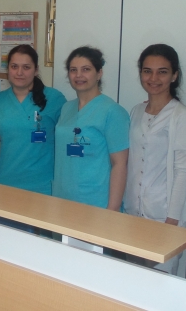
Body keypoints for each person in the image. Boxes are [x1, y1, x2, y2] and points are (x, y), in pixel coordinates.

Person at [123, 44, 186, 274]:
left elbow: (183, 171)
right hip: (133, 214)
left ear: (174, 75)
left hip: (163, 217)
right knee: (132, 278)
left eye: (162, 72)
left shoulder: (182, 116)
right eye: (147, 71)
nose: (153, 78)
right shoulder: (136, 111)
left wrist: (172, 221)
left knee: (159, 282)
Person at [53, 46, 129, 210]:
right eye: (73, 70)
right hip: (62, 198)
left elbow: (120, 164)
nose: (78, 75)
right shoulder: (66, 108)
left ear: (99, 73)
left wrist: (112, 210)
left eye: (86, 69)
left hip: (96, 202)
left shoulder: (113, 112)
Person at [0, 45, 66, 195]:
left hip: (42, 185)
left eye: (26, 67)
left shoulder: (54, 99)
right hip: (6, 182)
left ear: (36, 70)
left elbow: (68, 137)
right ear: (8, 69)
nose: (19, 72)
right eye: (14, 66)